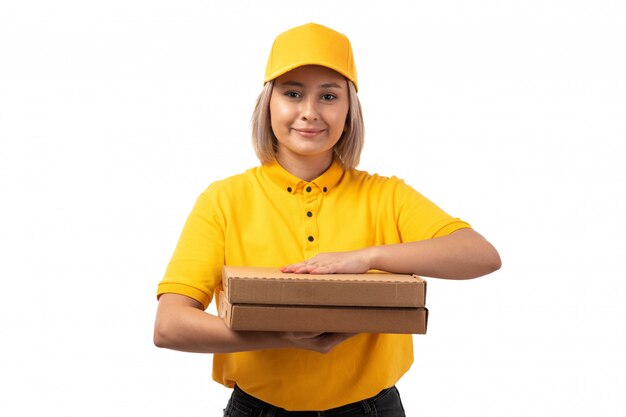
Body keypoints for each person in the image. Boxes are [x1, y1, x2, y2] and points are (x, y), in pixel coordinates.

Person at [154, 22, 501, 416]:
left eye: (329, 96)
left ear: (349, 111)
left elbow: (480, 255)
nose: (309, 112)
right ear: (268, 103)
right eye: (292, 93)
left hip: (372, 409)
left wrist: (366, 258)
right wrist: (282, 336)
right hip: (259, 409)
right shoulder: (224, 200)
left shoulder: (385, 195)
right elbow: (169, 325)